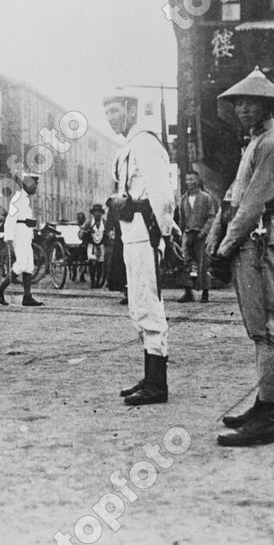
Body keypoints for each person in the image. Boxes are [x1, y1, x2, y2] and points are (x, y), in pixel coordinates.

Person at [205, 67, 274, 447]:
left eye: (250, 101)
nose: (242, 107)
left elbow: (253, 206)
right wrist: (216, 236)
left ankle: (268, 416)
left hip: (260, 244)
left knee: (269, 331)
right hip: (247, 243)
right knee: (258, 330)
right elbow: (232, 198)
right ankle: (262, 406)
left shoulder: (272, 145)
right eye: (238, 101)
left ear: (267, 105)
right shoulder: (255, 143)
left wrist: (224, 249)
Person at [104, 88, 175, 407]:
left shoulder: (146, 143)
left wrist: (164, 235)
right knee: (138, 303)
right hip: (131, 232)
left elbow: (162, 194)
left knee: (149, 303)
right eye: (107, 113)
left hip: (146, 232)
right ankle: (150, 377)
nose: (110, 118)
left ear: (132, 111)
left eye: (116, 111)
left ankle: (158, 384)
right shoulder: (130, 145)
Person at [0, 170, 45, 308]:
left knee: (28, 266)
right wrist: (8, 236)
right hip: (19, 234)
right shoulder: (18, 198)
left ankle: (27, 297)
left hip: (26, 234)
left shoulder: (26, 199)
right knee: (21, 264)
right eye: (34, 185)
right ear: (27, 184)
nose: (35, 188)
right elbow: (11, 218)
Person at [176, 170, 216, 303]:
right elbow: (182, 219)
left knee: (203, 263)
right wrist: (181, 234)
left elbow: (211, 217)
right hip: (188, 234)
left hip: (201, 235)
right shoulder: (183, 199)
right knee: (186, 262)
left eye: (192, 179)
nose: (189, 182)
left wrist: (203, 232)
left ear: (198, 181)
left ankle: (205, 293)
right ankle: (188, 293)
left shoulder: (206, 198)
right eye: (187, 179)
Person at [83, 203, 107, 288]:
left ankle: (98, 282)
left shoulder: (104, 222)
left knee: (100, 264)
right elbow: (81, 232)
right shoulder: (89, 222)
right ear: (93, 213)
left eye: (99, 212)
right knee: (92, 263)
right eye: (96, 212)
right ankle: (92, 281)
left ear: (101, 213)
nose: (98, 214)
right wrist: (85, 232)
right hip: (91, 245)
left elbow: (108, 232)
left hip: (101, 246)